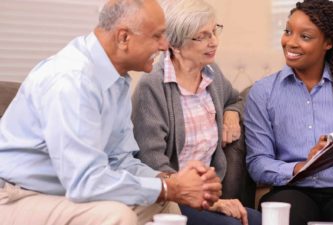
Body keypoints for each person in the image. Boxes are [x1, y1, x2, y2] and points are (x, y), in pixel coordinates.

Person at [0, 0, 222, 225]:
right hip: (16, 195)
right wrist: (167, 188)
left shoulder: (116, 80)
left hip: (63, 191)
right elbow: (85, 182)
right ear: (124, 37)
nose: (165, 45)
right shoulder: (72, 80)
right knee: (117, 216)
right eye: (157, 36)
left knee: (163, 204)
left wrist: (172, 181)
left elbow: (121, 160)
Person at [244, 0, 333, 224]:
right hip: (291, 190)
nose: (291, 42)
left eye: (305, 37)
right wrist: (301, 167)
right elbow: (257, 163)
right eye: (288, 31)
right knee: (288, 214)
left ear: (327, 42)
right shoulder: (263, 93)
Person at [131, 0, 261, 225]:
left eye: (214, 31)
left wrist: (231, 113)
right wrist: (209, 201)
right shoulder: (152, 86)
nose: (214, 42)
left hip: (210, 194)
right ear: (176, 44)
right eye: (202, 36)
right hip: (172, 197)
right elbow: (152, 163)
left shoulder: (211, 73)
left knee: (262, 220)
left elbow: (235, 99)